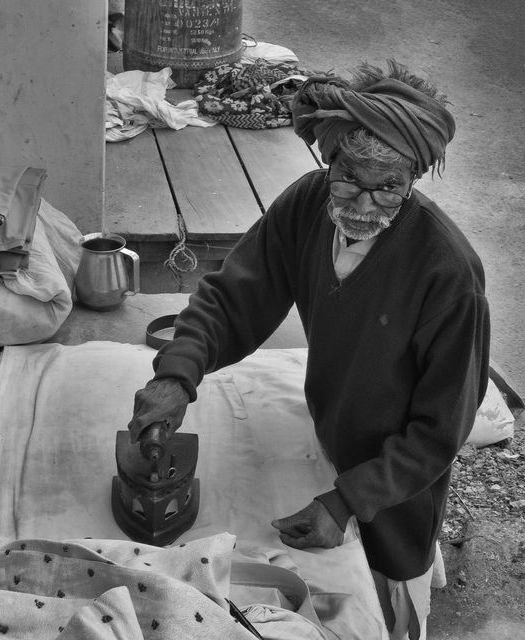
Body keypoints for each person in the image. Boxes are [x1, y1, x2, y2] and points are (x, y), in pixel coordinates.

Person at [127, 60, 490, 640]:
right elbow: (233, 298)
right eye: (350, 176)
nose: (365, 203)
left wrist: (349, 501)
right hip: (328, 429)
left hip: (397, 480)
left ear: (416, 177)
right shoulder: (307, 206)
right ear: (328, 160)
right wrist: (178, 373)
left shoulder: (448, 275)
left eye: (390, 185)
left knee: (380, 587)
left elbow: (440, 432)